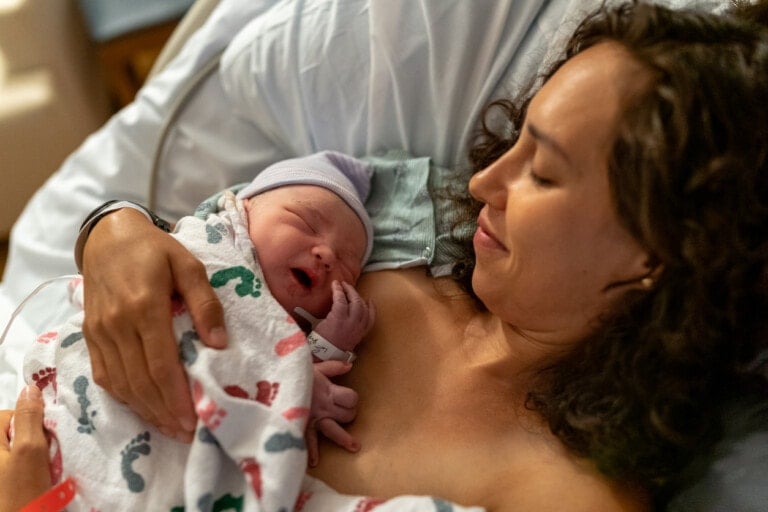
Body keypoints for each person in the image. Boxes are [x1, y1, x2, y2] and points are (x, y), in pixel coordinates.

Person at [5, 0, 768, 511]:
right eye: (519, 138)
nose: (483, 179)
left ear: (659, 254)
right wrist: (115, 232)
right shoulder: (402, 229)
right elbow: (207, 228)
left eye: (543, 171)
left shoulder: (557, 492)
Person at [20, 151, 376, 510]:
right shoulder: (204, 247)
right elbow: (123, 285)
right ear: (243, 209)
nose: (327, 254)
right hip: (76, 426)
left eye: (348, 266)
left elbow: (270, 361)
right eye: (305, 221)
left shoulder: (285, 335)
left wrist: (319, 359)